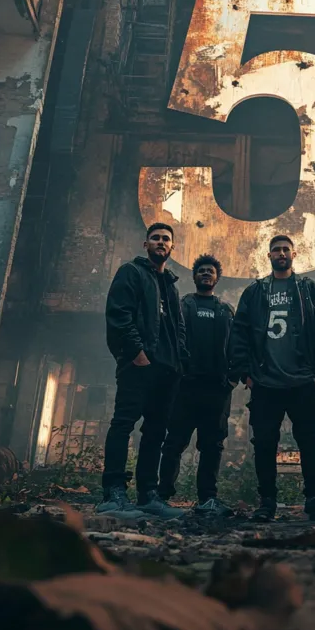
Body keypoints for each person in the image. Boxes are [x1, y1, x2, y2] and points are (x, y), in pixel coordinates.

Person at [228, 235, 315, 522]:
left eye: (286, 249)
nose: (281, 253)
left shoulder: (310, 290)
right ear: (269, 255)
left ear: (294, 254)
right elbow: (239, 333)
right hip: (265, 383)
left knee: (310, 441)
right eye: (276, 250)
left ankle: (314, 499)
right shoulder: (255, 292)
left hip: (302, 381)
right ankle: (267, 502)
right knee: (264, 443)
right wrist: (247, 375)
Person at [98, 223, 187, 520]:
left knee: (155, 433)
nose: (161, 242)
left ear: (172, 247)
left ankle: (148, 494)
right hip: (139, 365)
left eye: (166, 239)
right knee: (123, 424)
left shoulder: (171, 286)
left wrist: (179, 363)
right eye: (156, 238)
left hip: (167, 370)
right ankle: (113, 493)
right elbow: (119, 314)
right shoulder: (131, 273)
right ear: (145, 243)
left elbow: (179, 330)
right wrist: (137, 353)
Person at [159, 254, 234, 517]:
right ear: (195, 276)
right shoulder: (183, 305)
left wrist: (232, 379)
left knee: (212, 446)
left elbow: (235, 346)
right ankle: (162, 496)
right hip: (185, 388)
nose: (205, 273)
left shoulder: (226, 310)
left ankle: (207, 499)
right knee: (174, 442)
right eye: (201, 270)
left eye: (210, 271)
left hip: (216, 389)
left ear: (216, 278)